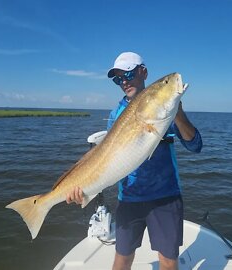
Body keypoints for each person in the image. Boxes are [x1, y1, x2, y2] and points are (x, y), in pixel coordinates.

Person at [66, 52, 202, 270]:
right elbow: (107, 159)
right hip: (129, 197)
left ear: (143, 71)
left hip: (165, 196)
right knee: (122, 258)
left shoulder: (165, 107)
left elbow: (195, 146)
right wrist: (84, 189)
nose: (124, 82)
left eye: (127, 74)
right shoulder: (116, 113)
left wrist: (177, 113)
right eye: (118, 79)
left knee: (168, 261)